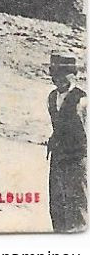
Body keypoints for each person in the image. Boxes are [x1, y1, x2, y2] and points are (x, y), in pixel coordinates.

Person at [47, 51, 87, 232]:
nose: (58, 79)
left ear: (72, 74)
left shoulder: (82, 99)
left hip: (76, 159)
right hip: (57, 158)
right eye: (55, 74)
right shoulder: (51, 98)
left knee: (77, 206)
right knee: (57, 205)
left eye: (62, 74)